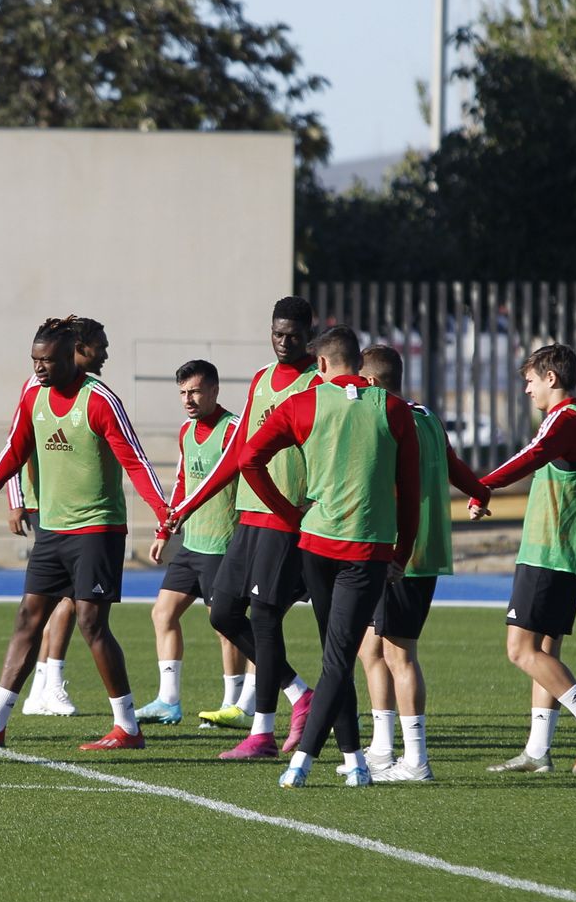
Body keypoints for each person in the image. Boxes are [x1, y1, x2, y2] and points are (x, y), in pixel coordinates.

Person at [0, 320, 170, 750]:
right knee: (29, 617)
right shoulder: (34, 396)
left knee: (91, 622)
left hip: (97, 529)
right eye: (34, 360)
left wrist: (163, 512)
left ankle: (128, 728)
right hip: (52, 529)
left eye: (47, 361)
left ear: (71, 356)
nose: (40, 368)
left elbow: (136, 462)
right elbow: (13, 451)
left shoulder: (100, 400)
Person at [232, 327, 420, 789]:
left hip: (315, 543)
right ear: (358, 362)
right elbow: (410, 494)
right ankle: (337, 759)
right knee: (337, 659)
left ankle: (331, 758)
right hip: (368, 550)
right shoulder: (394, 409)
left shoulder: (303, 404)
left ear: (321, 365)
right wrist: (402, 552)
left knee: (334, 655)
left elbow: (247, 459)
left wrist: (289, 514)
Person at [163, 296, 321, 759]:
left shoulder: (320, 382)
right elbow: (241, 453)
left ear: (309, 335)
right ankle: (300, 694)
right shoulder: (261, 379)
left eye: (292, 334)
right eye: (277, 333)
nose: (283, 341)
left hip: (288, 515)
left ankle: (263, 733)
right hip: (249, 516)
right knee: (223, 614)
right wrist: (189, 504)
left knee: (266, 618)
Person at [468, 342, 576, 774]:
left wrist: (482, 485)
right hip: (565, 552)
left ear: (551, 379)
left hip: (549, 551)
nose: (526, 390)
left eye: (530, 381)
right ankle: (538, 749)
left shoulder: (567, 421)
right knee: (544, 650)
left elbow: (531, 456)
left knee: (519, 650)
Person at [354, 344, 490, 782]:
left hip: (402, 554)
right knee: (370, 647)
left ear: (372, 382)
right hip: (418, 550)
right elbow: (453, 466)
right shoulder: (427, 416)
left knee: (400, 655)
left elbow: (388, 483)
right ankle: (381, 747)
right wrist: (480, 492)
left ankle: (416, 760)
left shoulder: (390, 419)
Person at [138, 359, 252, 727]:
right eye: (183, 392)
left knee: (225, 627)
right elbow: (185, 481)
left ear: (215, 391)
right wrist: (165, 531)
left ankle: (233, 704)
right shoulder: (187, 431)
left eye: (195, 391)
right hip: (192, 545)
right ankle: (168, 700)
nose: (188, 399)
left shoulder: (233, 428)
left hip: (223, 545)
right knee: (163, 613)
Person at [12, 316, 110, 718]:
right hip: (48, 505)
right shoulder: (39, 387)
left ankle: (45, 684)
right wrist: (16, 497)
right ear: (78, 350)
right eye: (99, 345)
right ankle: (47, 683)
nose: (105, 352)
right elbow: (15, 445)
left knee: (64, 601)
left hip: (72, 506)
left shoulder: (93, 395)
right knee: (61, 600)